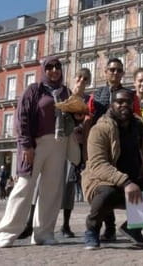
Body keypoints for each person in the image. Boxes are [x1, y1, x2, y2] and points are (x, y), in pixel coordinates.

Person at [0, 56, 71, 248]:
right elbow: (22, 117)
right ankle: (6, 233)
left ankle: (43, 233)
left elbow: (71, 119)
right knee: (24, 187)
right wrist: (26, 145)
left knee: (51, 191)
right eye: (50, 67)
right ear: (44, 70)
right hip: (36, 144)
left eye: (57, 67)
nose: (54, 70)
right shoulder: (34, 90)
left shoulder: (66, 92)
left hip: (59, 143)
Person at [83, 89, 143, 249]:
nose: (124, 105)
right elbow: (98, 165)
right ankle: (92, 230)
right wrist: (126, 183)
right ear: (112, 104)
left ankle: (133, 227)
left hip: (133, 181)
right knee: (106, 195)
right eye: (119, 102)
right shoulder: (99, 129)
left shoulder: (139, 127)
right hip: (102, 182)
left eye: (128, 102)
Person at [86, 58, 133, 241]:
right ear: (105, 72)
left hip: (123, 146)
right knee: (104, 185)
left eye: (119, 70)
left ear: (122, 73)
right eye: (112, 69)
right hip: (101, 145)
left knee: (117, 184)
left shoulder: (128, 94)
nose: (115, 73)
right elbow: (89, 118)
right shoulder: (97, 94)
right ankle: (109, 227)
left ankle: (130, 226)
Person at [61, 67, 93, 238]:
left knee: (88, 183)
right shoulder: (65, 97)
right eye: (79, 77)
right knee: (67, 186)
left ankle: (93, 224)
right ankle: (64, 225)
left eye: (85, 79)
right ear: (74, 78)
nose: (81, 81)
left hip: (84, 147)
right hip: (67, 146)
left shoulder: (89, 100)